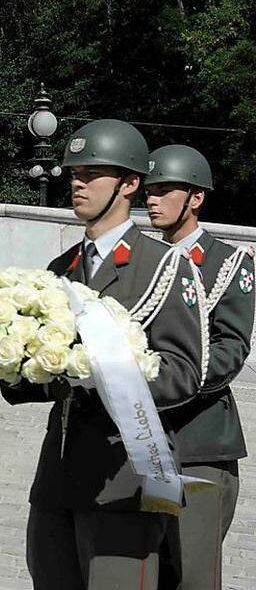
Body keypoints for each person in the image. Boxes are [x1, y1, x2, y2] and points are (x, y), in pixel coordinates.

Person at [1, 120, 203, 589]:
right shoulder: (62, 267)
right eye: (74, 172)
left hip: (124, 481)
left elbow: (182, 374)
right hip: (58, 475)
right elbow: (39, 374)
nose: (77, 182)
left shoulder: (166, 266)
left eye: (92, 173)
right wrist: (7, 361)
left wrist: (96, 372)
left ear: (129, 184)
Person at [145, 144, 251, 590]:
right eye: (149, 190)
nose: (151, 199)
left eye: (165, 190)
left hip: (200, 438)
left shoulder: (230, 263)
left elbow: (231, 348)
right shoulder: (145, 260)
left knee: (193, 573)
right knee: (148, 567)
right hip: (144, 438)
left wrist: (164, 380)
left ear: (196, 198)